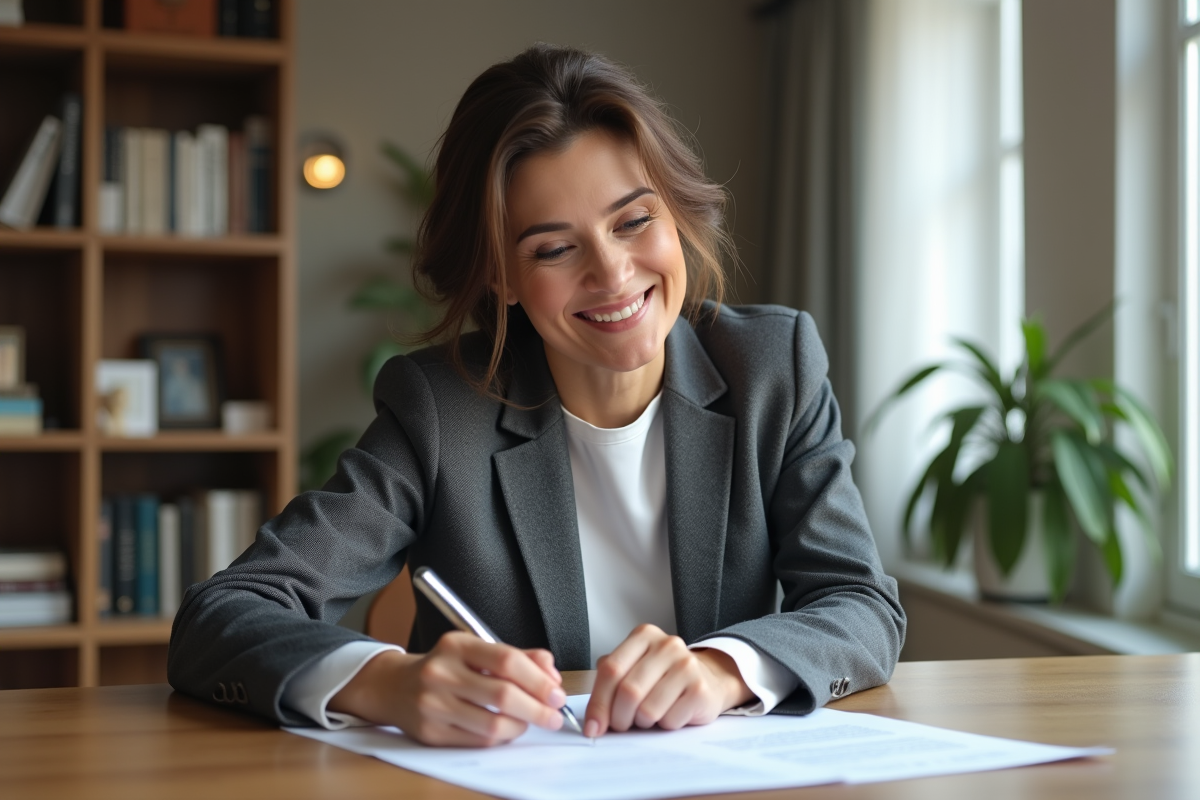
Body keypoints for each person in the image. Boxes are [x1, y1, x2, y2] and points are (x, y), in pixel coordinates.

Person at [168, 44, 905, 747]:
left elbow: (861, 604)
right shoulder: (439, 410)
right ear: (502, 278)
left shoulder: (772, 367)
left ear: (675, 215)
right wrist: (387, 682)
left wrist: (721, 671)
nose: (613, 275)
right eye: (554, 248)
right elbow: (222, 616)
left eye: (635, 220)